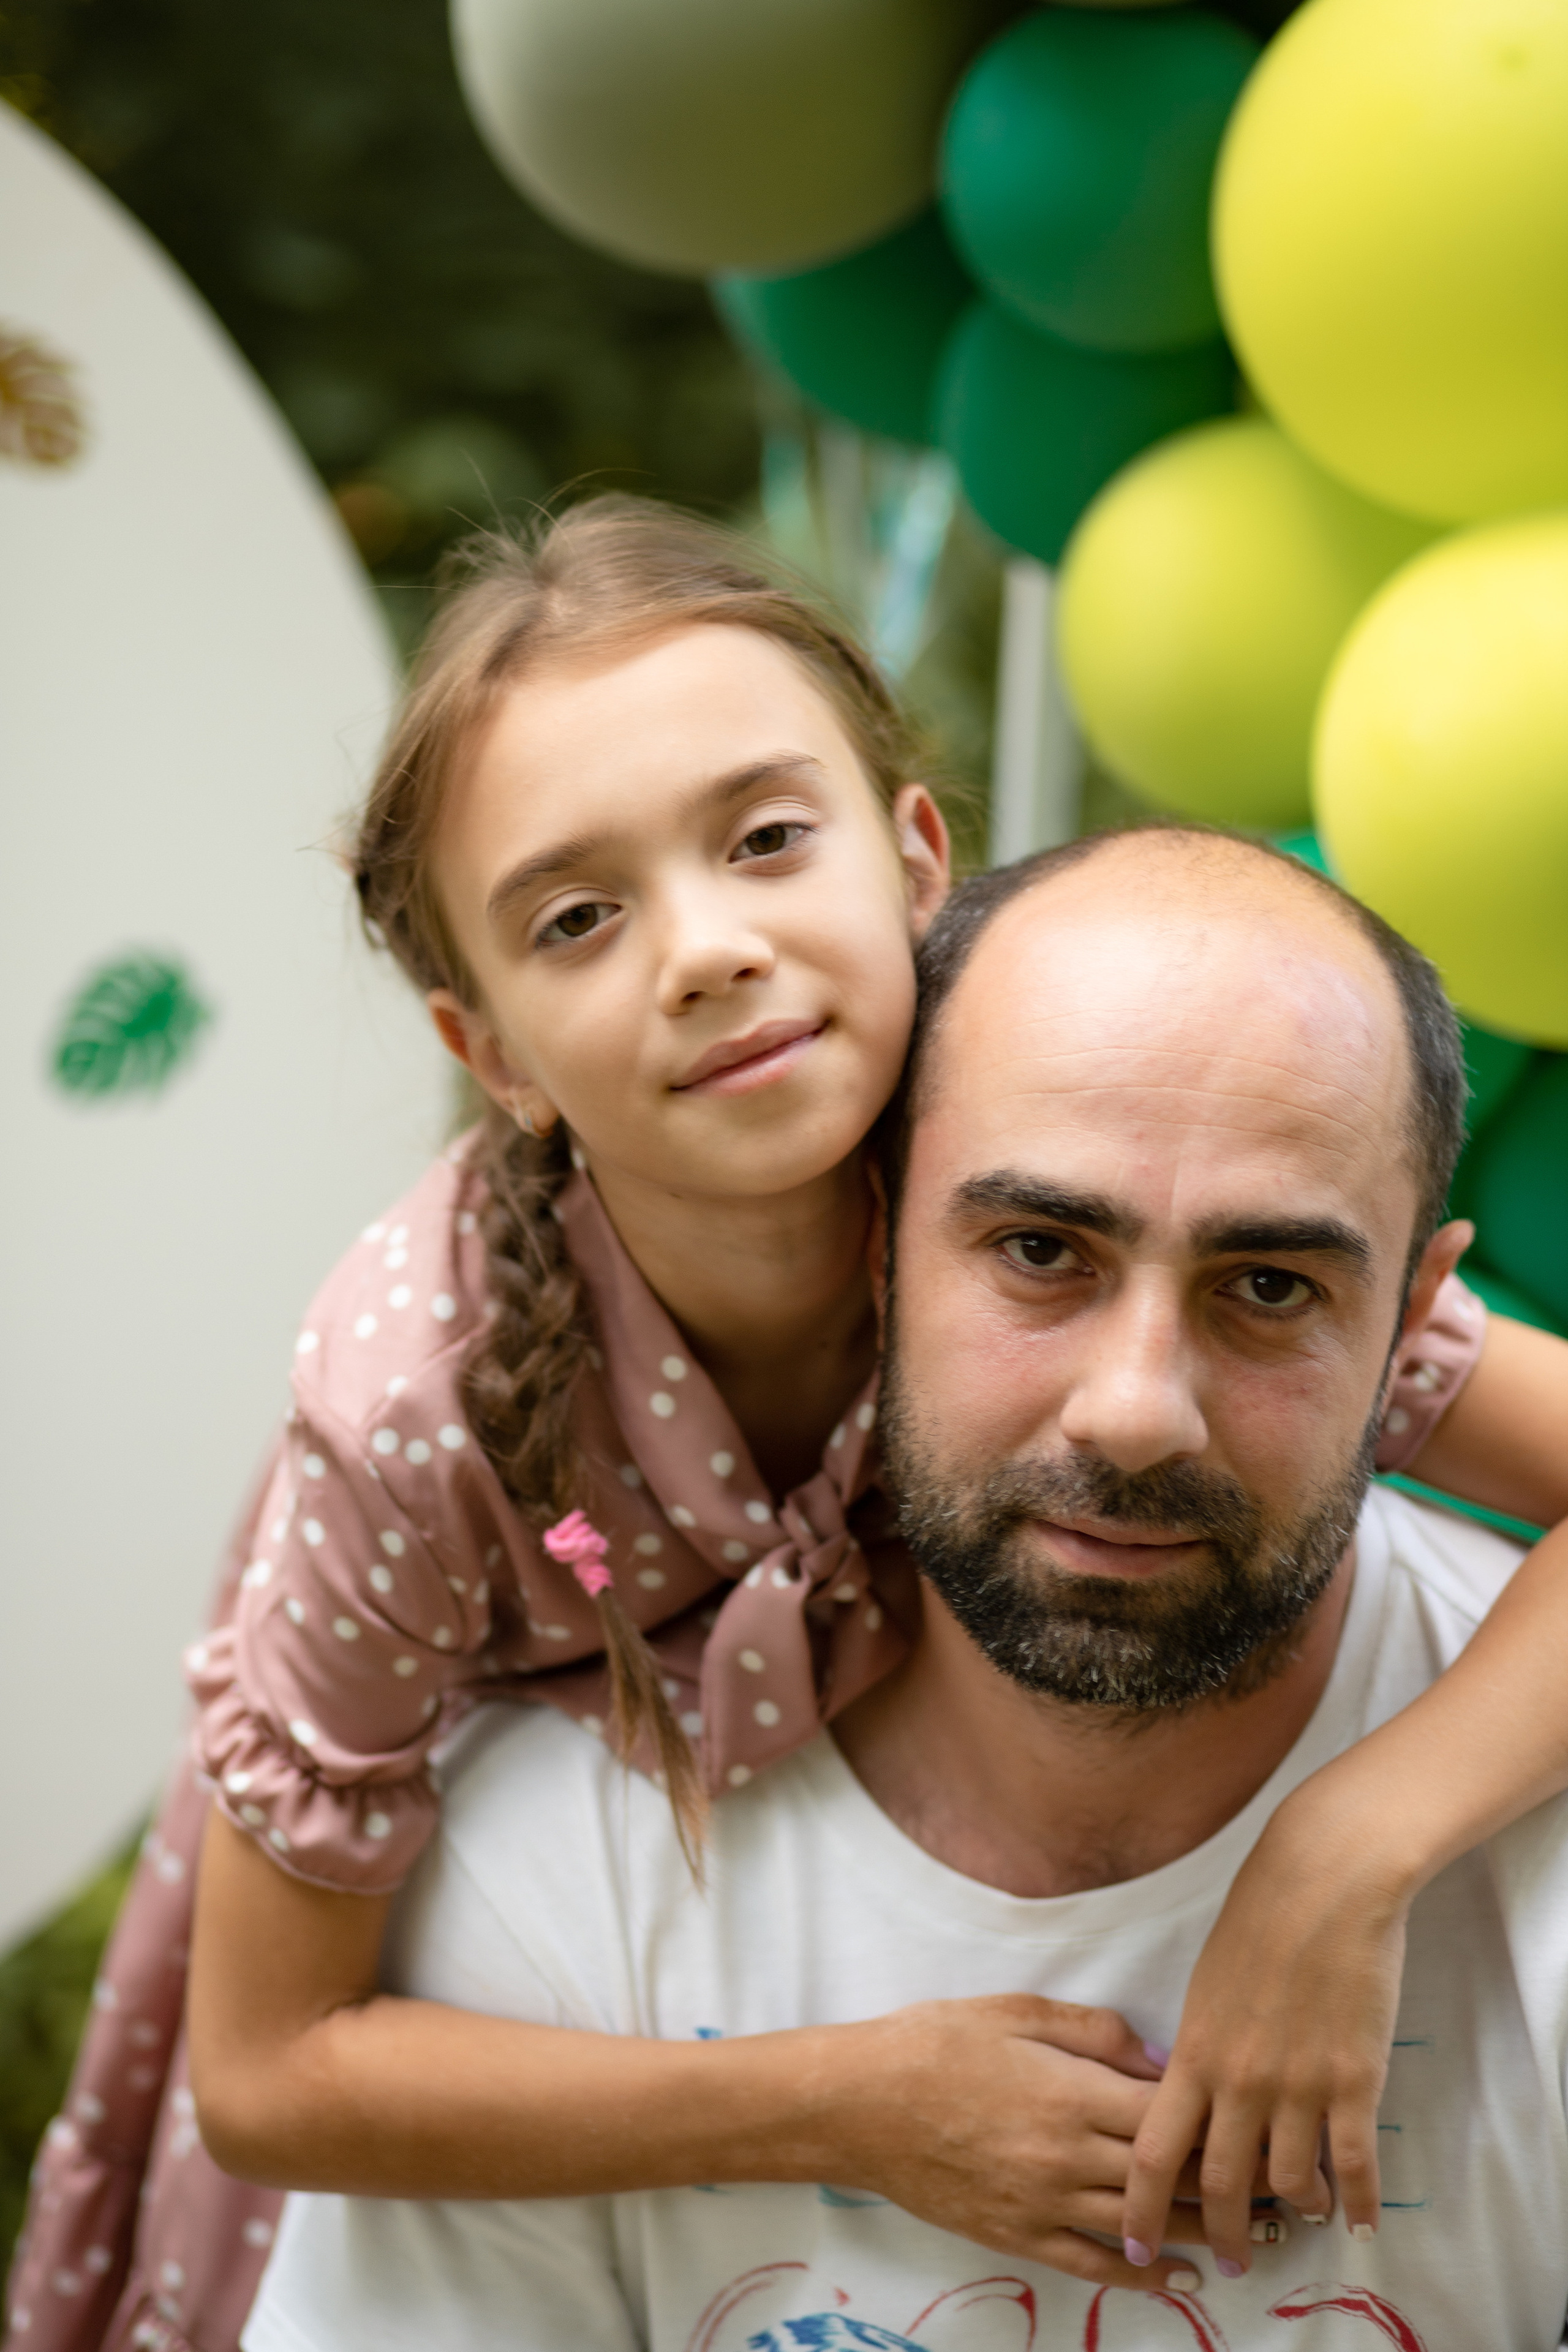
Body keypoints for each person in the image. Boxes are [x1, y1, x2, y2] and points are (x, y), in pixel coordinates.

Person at [4, 504, 1564, 2351]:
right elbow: (270, 2076)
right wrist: (843, 2103)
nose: (706, 951)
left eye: (761, 840)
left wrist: (1345, 1844)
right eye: (576, 919)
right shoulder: (420, 1409)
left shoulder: (1069, 1136)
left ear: (916, 863)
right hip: (583, 1967)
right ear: (489, 1051)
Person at [239, 826, 1568, 2352]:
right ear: (873, 1249)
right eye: (1038, 1250)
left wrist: (1341, 1848)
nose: (1134, 1411)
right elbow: (263, 2080)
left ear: (1410, 1317)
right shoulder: (555, 1867)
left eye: (1269, 1287)